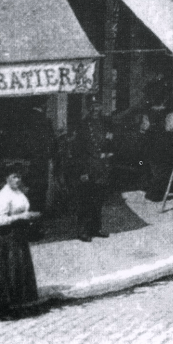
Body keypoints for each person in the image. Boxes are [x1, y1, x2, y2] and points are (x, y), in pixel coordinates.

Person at [0, 165, 41, 320]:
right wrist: (21, 217)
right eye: (14, 176)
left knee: (17, 272)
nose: (18, 179)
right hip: (5, 238)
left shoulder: (18, 192)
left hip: (17, 237)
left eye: (19, 177)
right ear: (6, 178)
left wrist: (28, 215)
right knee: (6, 273)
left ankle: (17, 306)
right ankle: (4, 310)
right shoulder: (3, 195)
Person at [73, 99, 114, 241]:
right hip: (89, 166)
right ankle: (83, 231)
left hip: (102, 166)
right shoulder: (83, 125)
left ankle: (96, 228)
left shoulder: (105, 122)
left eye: (98, 105)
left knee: (98, 200)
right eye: (93, 106)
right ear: (89, 108)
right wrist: (83, 171)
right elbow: (78, 150)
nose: (96, 109)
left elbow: (110, 140)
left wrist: (109, 153)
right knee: (85, 201)